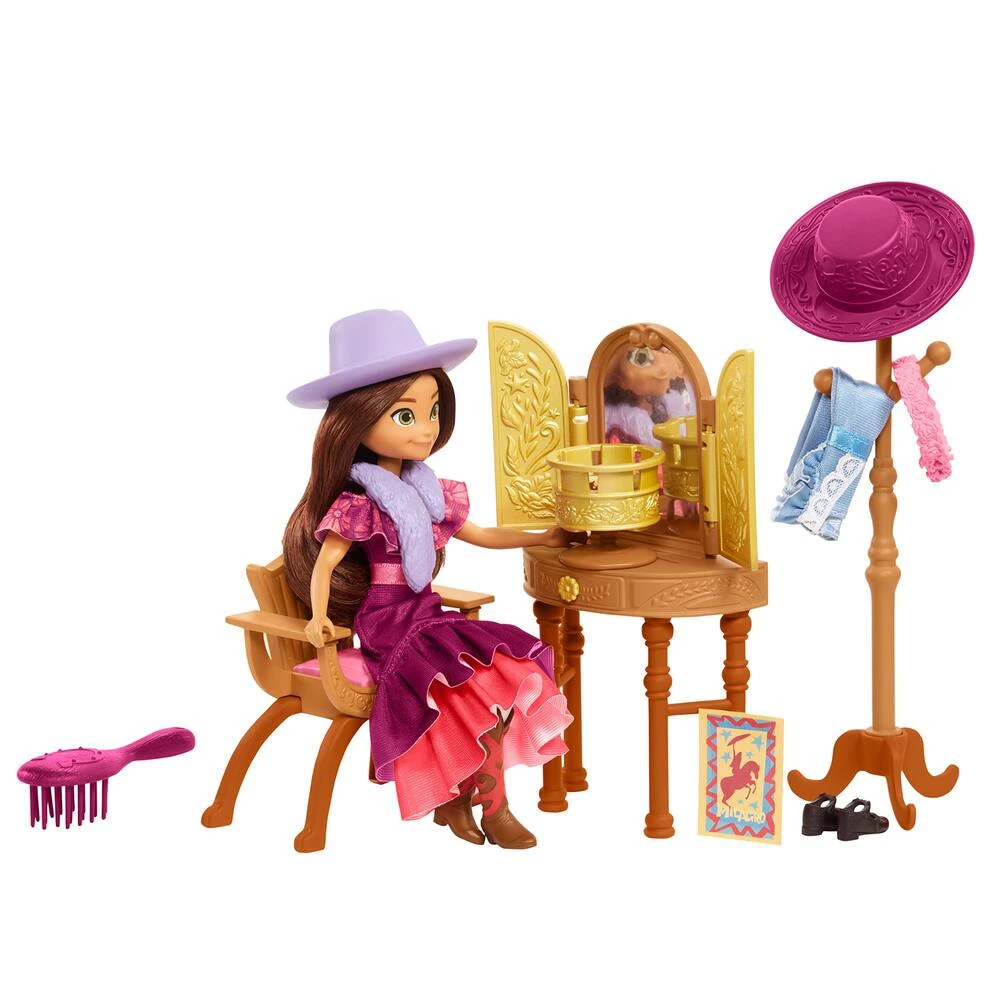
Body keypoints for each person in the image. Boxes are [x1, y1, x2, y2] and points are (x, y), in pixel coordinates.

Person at [282, 309, 574, 849]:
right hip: (387, 621)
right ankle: (491, 808)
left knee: (498, 682)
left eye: (434, 411)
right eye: (405, 415)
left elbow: (480, 534)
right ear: (356, 420)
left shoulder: (428, 494)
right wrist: (319, 617)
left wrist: (543, 536)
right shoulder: (359, 503)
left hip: (427, 612)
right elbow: (325, 565)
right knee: (466, 691)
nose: (427, 428)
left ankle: (466, 799)